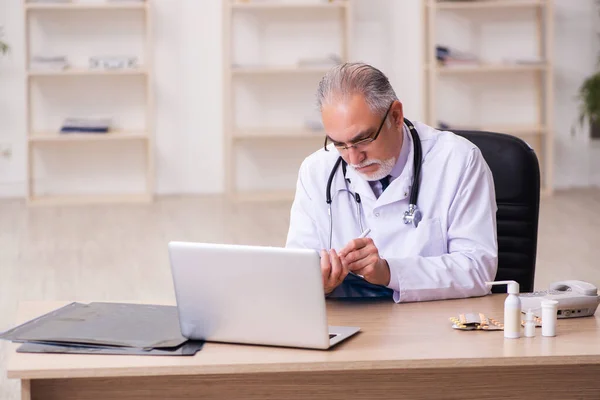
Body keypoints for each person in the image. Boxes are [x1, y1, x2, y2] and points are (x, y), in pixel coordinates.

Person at [285, 62, 498, 303]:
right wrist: (318, 282)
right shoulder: (317, 170)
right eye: (340, 144)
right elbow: (297, 268)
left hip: (431, 323)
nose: (354, 159)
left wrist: (389, 272)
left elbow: (478, 269)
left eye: (363, 139)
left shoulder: (458, 160)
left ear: (395, 116)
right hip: (349, 321)